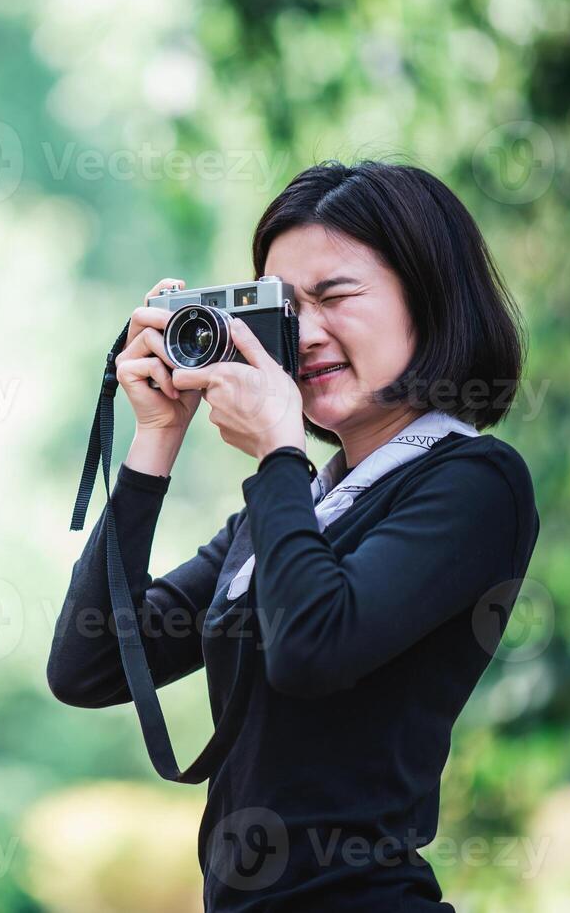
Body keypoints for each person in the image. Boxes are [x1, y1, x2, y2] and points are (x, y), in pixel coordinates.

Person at [47, 160, 542, 911]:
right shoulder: (294, 507)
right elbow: (88, 667)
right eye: (284, 308)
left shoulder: (474, 480)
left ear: (428, 298)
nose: (305, 334)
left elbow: (314, 647)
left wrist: (277, 451)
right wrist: (155, 440)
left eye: (336, 297)